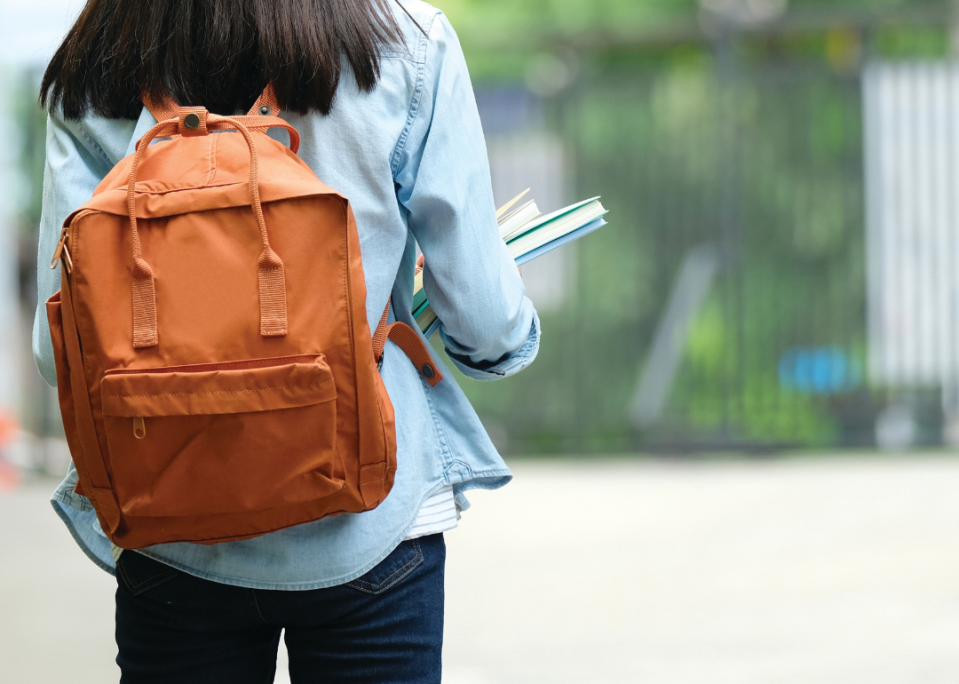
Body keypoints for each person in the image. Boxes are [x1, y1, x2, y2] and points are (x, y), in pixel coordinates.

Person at [33, 1, 540, 682]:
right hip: (373, 520)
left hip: (169, 522)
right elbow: (483, 319)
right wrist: (497, 341)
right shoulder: (402, 40)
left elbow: (55, 347)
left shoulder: (101, 51)